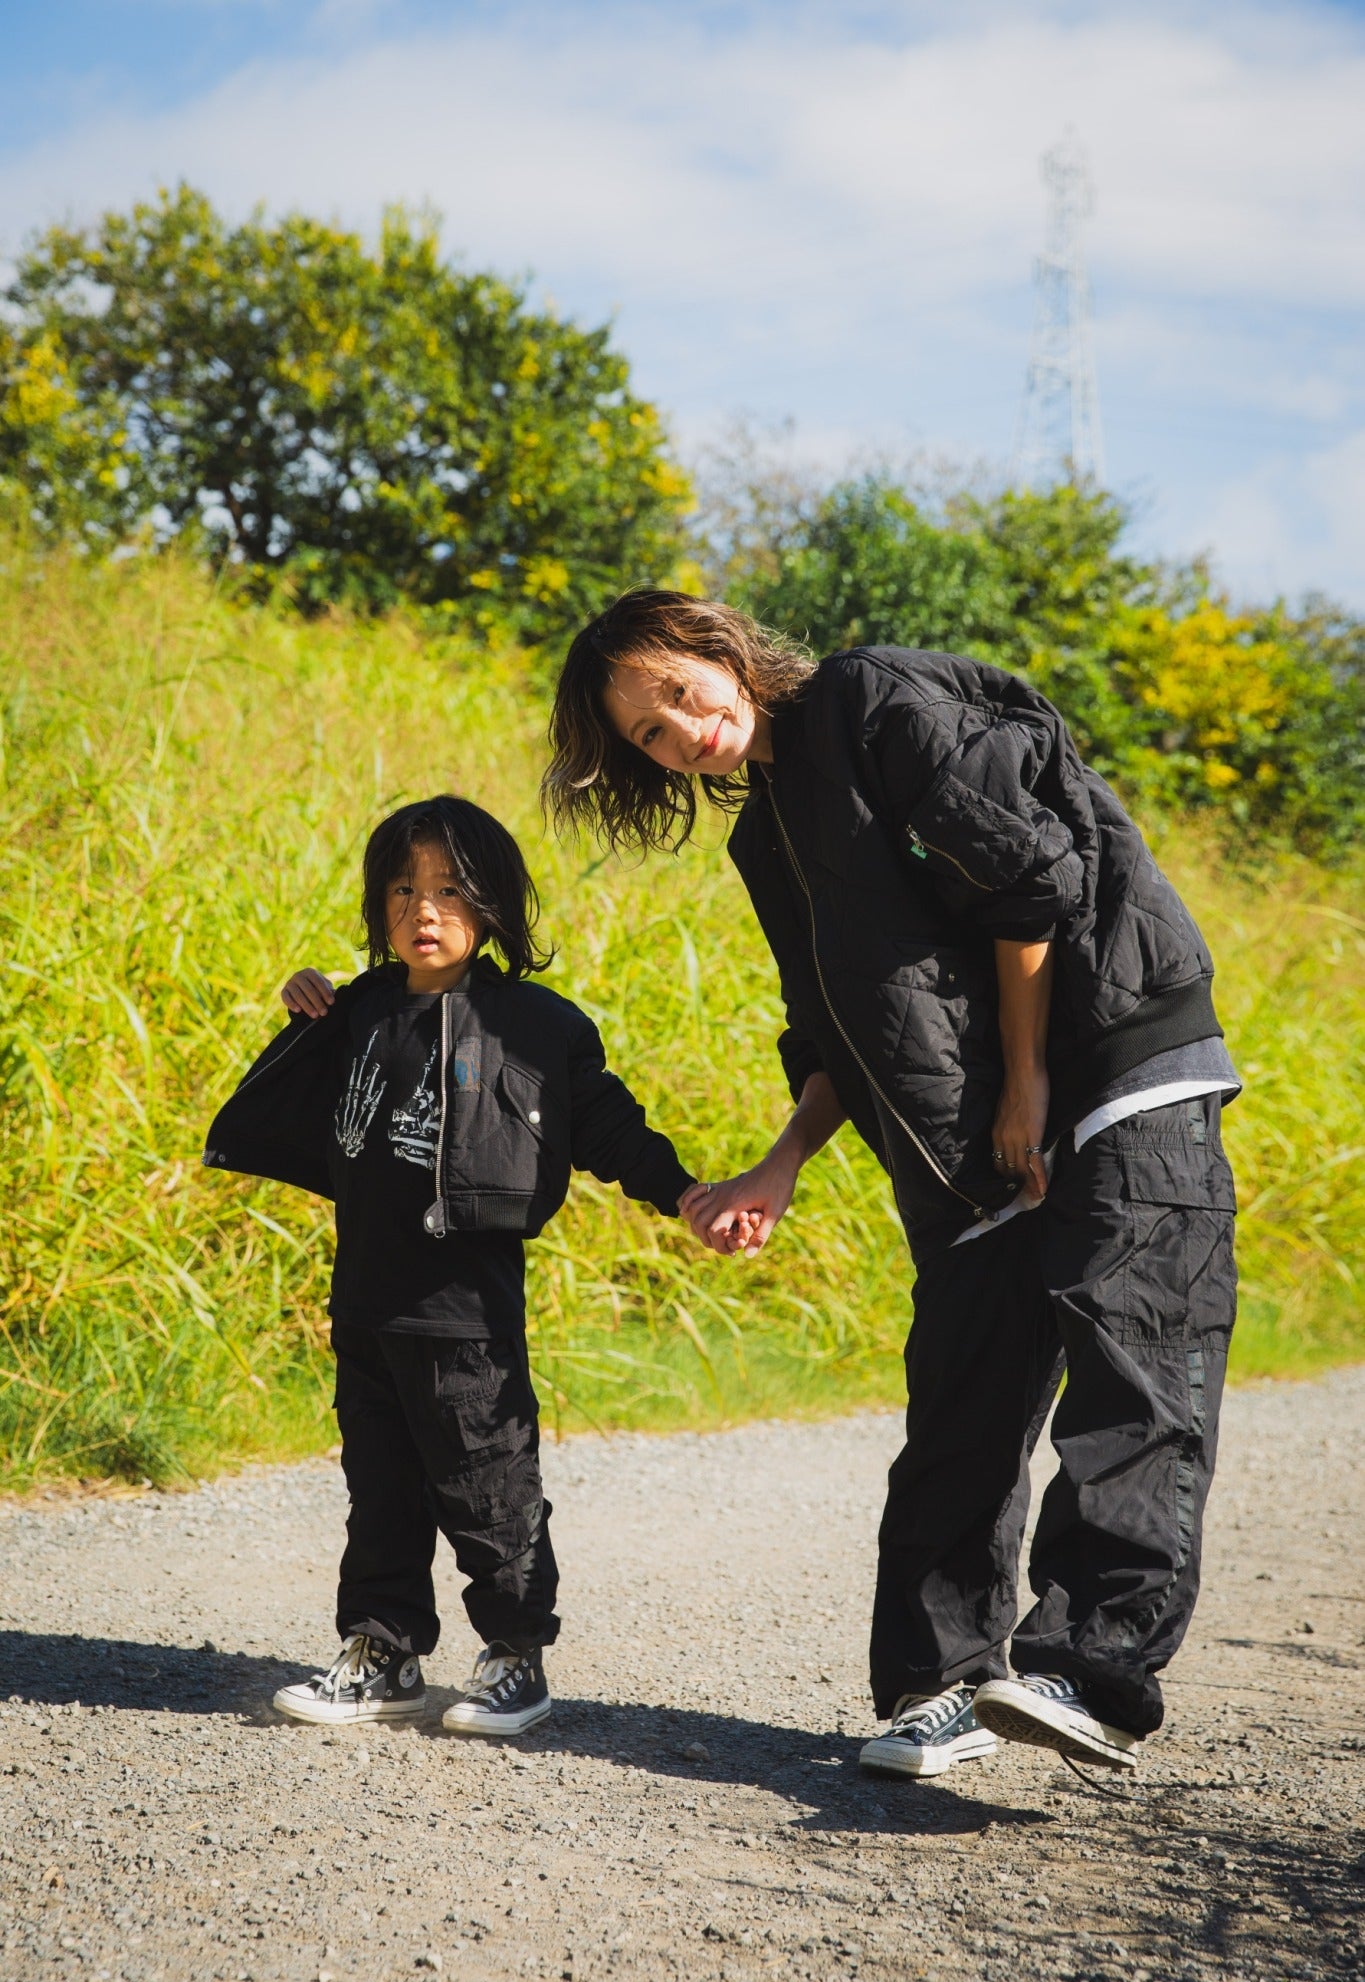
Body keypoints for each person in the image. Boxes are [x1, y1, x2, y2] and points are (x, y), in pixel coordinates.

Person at [545, 591, 1240, 1778]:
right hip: (977, 1139)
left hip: (1111, 1056)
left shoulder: (872, 699)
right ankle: (946, 1683)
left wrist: (1027, 1080)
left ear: (721, 651)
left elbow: (1033, 881)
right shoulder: (764, 835)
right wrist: (779, 1162)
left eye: (676, 690)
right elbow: (830, 1034)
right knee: (963, 1392)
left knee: (1133, 1355)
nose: (680, 728)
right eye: (648, 735)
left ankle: (1090, 1663)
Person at [204, 795, 700, 1734]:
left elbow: (610, 1129)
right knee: (379, 1490)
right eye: (402, 888)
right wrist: (307, 1004)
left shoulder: (535, 1026)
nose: (422, 910)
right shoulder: (357, 1012)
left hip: (466, 1316)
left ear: (493, 908)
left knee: (489, 1489)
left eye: (447, 890)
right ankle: (383, 1652)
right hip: (367, 1305)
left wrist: (683, 1193)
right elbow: (295, 1101)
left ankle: (516, 1657)